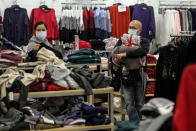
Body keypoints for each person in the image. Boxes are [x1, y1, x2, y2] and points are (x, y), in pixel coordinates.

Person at [112, 20, 150, 124]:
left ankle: (137, 124)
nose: (131, 29)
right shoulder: (122, 39)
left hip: (140, 74)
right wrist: (124, 53)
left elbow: (142, 51)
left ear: (140, 30)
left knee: (140, 103)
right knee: (129, 103)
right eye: (130, 27)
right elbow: (115, 51)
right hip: (126, 74)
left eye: (134, 28)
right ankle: (136, 124)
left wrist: (124, 54)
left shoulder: (144, 41)